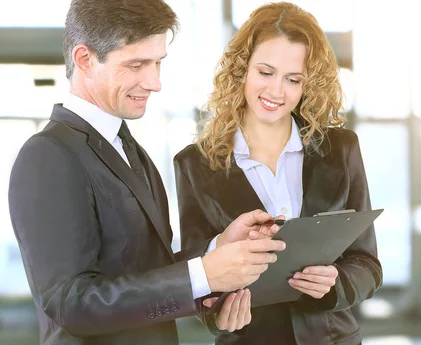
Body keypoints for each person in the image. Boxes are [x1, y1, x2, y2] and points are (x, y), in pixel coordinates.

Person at [8, 1, 285, 344]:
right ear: (84, 59)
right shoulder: (48, 156)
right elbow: (70, 303)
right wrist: (202, 274)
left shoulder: (128, 149)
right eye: (136, 64)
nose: (154, 82)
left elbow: (143, 273)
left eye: (157, 63)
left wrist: (214, 253)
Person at [173, 2, 382, 344]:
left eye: (293, 79)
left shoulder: (340, 150)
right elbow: (197, 279)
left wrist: (334, 283)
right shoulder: (195, 164)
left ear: (307, 84)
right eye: (265, 72)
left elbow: (368, 265)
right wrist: (218, 312)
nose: (275, 91)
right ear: (242, 70)